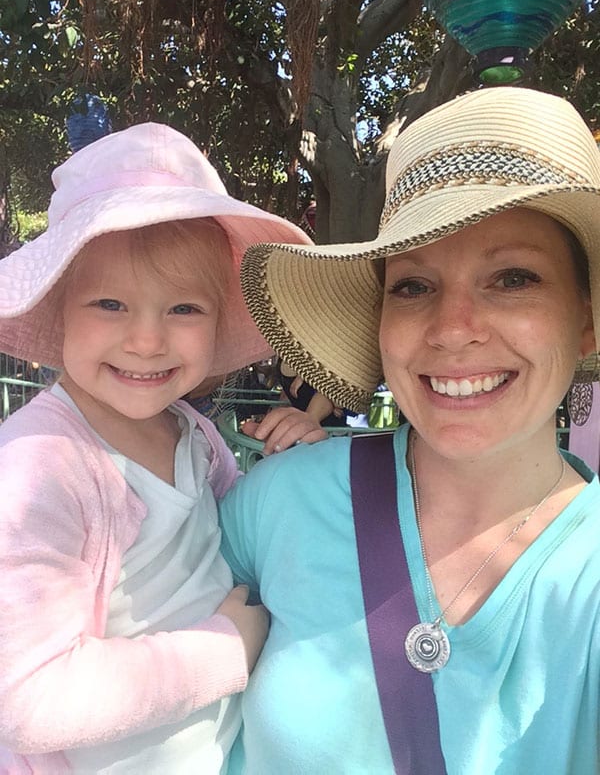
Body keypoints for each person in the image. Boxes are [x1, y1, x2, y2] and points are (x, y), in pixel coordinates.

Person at [219, 87, 600, 774]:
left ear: (585, 321)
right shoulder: (277, 505)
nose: (453, 328)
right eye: (414, 286)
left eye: (512, 278)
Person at [0, 122, 325, 773]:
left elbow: (236, 548)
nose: (146, 341)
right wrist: (229, 647)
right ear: (59, 307)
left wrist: (289, 469)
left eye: (183, 309)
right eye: (111, 304)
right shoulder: (39, 463)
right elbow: (28, 697)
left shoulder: (195, 436)